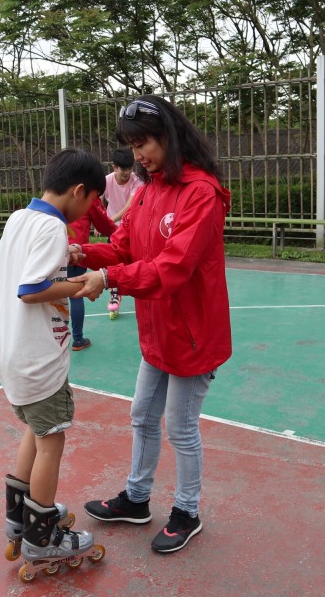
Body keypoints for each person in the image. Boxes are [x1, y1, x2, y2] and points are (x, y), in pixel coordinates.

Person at [68, 96, 232, 554]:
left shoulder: (201, 192)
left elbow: (173, 267)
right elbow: (123, 245)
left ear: (169, 137)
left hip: (194, 334)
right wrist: (82, 253)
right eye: (132, 145)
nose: (138, 154)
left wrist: (109, 278)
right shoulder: (149, 188)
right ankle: (137, 499)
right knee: (141, 415)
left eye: (144, 144)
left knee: (181, 427)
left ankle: (187, 512)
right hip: (158, 329)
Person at [0, 147, 106, 570]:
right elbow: (30, 290)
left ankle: (20, 519)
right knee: (52, 440)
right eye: (92, 200)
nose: (90, 209)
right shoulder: (53, 226)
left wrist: (64, 262)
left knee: (36, 432)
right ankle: (42, 538)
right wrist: (81, 286)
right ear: (79, 190)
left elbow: (12, 273)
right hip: (37, 357)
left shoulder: (18, 218)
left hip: (9, 353)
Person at [67, 195, 116, 350]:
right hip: (76, 252)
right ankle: (78, 339)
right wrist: (122, 234)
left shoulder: (57, 193)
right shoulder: (87, 196)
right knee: (76, 295)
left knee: (54, 296)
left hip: (55, 250)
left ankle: (55, 339)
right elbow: (105, 226)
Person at [103, 147, 144, 317]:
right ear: (114, 167)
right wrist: (101, 221)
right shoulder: (106, 181)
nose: (127, 172)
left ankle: (143, 296)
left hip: (133, 227)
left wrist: (107, 221)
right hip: (114, 230)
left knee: (137, 263)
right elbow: (95, 201)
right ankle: (115, 295)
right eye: (123, 169)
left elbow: (129, 207)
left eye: (129, 168)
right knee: (114, 262)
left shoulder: (137, 181)